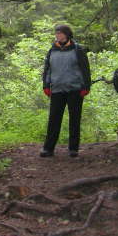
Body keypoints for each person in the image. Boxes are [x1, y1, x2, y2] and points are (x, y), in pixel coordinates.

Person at [40, 24, 91, 158]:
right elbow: (47, 69)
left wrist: (86, 86)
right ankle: (48, 148)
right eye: (57, 33)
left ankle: (73, 148)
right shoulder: (52, 49)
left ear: (67, 34)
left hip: (75, 90)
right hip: (57, 89)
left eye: (61, 33)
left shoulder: (77, 49)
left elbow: (85, 69)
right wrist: (46, 85)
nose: (58, 36)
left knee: (75, 119)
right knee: (54, 119)